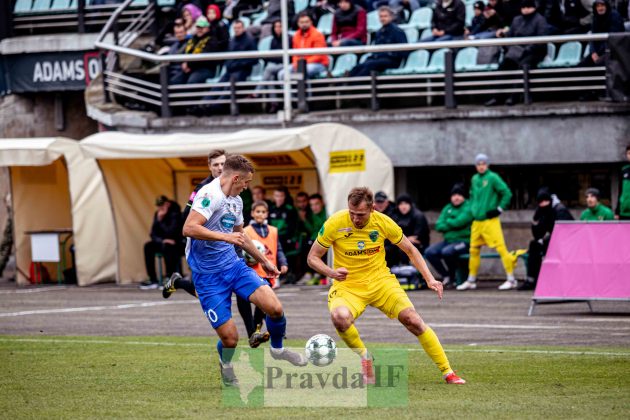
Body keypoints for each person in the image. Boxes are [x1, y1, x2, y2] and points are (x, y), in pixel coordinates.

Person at [307, 187, 466, 385]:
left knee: (413, 320)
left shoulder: (383, 222)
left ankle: (448, 372)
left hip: (381, 282)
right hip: (348, 286)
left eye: (361, 215)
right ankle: (365, 358)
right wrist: (331, 273)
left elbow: (411, 250)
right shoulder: (335, 223)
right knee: (339, 317)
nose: (355, 219)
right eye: (352, 213)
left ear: (373, 208)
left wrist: (430, 279)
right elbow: (312, 257)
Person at [183, 154, 307, 386]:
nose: (246, 187)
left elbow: (240, 237)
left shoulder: (236, 201)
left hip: (234, 266)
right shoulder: (210, 195)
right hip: (208, 276)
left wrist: (265, 261)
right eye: (246, 183)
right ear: (237, 177)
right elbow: (189, 228)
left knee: (275, 308)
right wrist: (224, 236)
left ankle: (278, 351)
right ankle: (226, 364)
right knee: (230, 339)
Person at [163, 150, 226, 299]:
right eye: (216, 164)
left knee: (237, 285)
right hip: (204, 243)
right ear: (209, 166)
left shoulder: (232, 185)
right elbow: (186, 214)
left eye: (223, 164)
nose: (220, 168)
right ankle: (178, 282)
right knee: (204, 293)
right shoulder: (203, 188)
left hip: (225, 243)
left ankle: (252, 323)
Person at [457, 153, 518, 291]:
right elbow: (472, 196)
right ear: (476, 166)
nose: (481, 166)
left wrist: (499, 209)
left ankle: (511, 279)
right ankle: (471, 280)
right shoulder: (474, 178)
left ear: (487, 165)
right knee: (473, 250)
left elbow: (506, 193)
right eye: (478, 164)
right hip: (477, 222)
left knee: (501, 248)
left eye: (483, 163)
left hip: (490, 220)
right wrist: (472, 210)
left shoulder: (493, 177)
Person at [240, 200, 289, 346]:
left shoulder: (273, 230)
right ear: (252, 213)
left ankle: (261, 328)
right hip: (251, 272)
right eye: (257, 212)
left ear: (267, 214)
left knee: (263, 306)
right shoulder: (246, 230)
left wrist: (283, 262)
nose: (260, 214)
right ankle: (253, 331)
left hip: (268, 272)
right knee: (249, 301)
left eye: (263, 212)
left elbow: (278, 248)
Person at [485, 0, 548, 106]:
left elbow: (540, 41)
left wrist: (527, 49)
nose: (525, 9)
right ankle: (498, 96)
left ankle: (514, 96)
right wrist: (504, 36)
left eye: (528, 7)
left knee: (523, 65)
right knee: (504, 65)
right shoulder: (517, 20)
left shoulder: (540, 20)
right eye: (523, 7)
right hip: (516, 51)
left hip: (533, 52)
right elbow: (510, 36)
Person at [518, 187, 573, 290]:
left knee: (547, 244)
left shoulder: (560, 210)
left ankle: (552, 280)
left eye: (545, 201)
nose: (543, 204)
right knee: (534, 245)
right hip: (551, 240)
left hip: (566, 243)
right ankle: (531, 280)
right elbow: (538, 234)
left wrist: (548, 238)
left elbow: (565, 232)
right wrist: (535, 221)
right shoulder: (542, 211)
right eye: (541, 202)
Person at [424, 183, 473, 288]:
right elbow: (438, 225)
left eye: (459, 195)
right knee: (429, 252)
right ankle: (446, 275)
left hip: (464, 241)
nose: (456, 197)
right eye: (454, 195)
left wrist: (449, 221)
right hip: (448, 241)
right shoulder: (447, 208)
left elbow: (460, 222)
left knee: (447, 252)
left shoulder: (468, 207)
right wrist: (453, 223)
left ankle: (453, 277)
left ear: (463, 196)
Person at [349, 7, 407, 77]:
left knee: (369, 65)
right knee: (357, 67)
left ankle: (354, 85)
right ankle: (343, 83)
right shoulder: (379, 32)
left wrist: (389, 54)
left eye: (385, 16)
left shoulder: (397, 31)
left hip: (392, 60)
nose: (383, 19)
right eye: (381, 16)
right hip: (378, 59)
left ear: (391, 17)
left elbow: (404, 50)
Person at [140, 196, 182, 290]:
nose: (160, 208)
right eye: (158, 206)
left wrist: (161, 221)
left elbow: (171, 232)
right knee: (148, 246)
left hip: (177, 243)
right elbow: (152, 233)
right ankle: (153, 279)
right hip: (163, 242)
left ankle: (169, 277)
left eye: (162, 206)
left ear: (168, 204)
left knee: (168, 246)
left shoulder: (175, 214)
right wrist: (159, 220)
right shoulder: (158, 214)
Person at [278, 12, 330, 81]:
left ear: (311, 22)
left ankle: (305, 91)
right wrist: (297, 64)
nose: (304, 24)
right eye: (301, 22)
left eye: (306, 22)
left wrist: (302, 64)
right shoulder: (296, 35)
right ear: (298, 23)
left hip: (318, 64)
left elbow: (319, 55)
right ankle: (291, 91)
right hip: (301, 64)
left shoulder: (317, 35)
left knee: (304, 71)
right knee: (282, 74)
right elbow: (295, 54)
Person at [259, 20, 292, 114]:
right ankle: (274, 104)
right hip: (276, 65)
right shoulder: (273, 40)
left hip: (286, 64)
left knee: (269, 69)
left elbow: (286, 57)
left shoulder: (288, 39)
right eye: (276, 27)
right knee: (270, 78)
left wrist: (274, 58)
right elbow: (272, 56)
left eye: (280, 26)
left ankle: (256, 92)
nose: (278, 29)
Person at [171, 16, 217, 85]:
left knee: (192, 81)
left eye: (202, 27)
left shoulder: (212, 40)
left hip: (205, 68)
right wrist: (184, 63)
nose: (199, 29)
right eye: (198, 27)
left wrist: (188, 64)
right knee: (175, 81)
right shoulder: (193, 40)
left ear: (207, 28)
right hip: (191, 67)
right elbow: (186, 52)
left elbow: (203, 56)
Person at [579, 0, 625, 67]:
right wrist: (593, 52)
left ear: (607, 6)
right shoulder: (595, 18)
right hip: (599, 51)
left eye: (602, 5)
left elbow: (612, 39)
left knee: (598, 65)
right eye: (598, 6)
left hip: (614, 51)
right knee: (580, 66)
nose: (600, 8)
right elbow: (592, 38)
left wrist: (599, 53)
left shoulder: (615, 16)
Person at [269, 186, 299, 280]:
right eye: (277, 196)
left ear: (285, 197)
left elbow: (293, 227)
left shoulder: (290, 209)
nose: (279, 198)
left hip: (285, 238)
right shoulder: (270, 209)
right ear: (274, 196)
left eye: (281, 196)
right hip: (272, 237)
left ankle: (285, 274)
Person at [298, 194, 328, 284]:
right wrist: (304, 220)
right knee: (304, 247)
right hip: (314, 238)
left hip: (324, 240)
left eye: (316, 204)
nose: (314, 207)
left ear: (322, 203)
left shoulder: (327, 213)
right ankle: (309, 273)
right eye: (311, 205)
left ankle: (317, 273)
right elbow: (313, 230)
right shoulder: (312, 215)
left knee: (311, 246)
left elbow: (321, 228)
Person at [391, 194, 430, 261]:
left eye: (406, 203)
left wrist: (397, 240)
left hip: (420, 245)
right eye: (401, 204)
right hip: (401, 241)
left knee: (404, 248)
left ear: (410, 204)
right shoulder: (396, 215)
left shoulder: (418, 216)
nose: (403, 206)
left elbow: (416, 238)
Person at [615, 145, 630, 220]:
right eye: (629, 153)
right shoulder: (624, 170)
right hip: (624, 212)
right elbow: (620, 192)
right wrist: (617, 211)